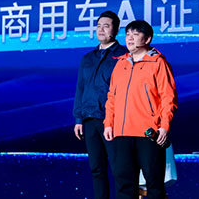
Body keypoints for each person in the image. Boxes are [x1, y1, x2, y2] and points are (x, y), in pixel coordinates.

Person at [103, 20, 177, 199]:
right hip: (121, 133)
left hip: (149, 133)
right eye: (128, 34)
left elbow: (168, 98)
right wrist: (108, 123)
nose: (130, 38)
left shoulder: (158, 63)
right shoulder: (120, 64)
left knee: (154, 185)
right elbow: (111, 97)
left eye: (135, 34)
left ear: (147, 38)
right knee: (124, 185)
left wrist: (164, 126)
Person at [73, 10, 127, 199]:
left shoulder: (124, 55)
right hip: (89, 119)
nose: (101, 29)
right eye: (98, 26)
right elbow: (80, 88)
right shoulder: (88, 58)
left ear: (116, 30)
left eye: (106, 26)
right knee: (96, 169)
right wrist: (78, 119)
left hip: (113, 121)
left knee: (120, 168)